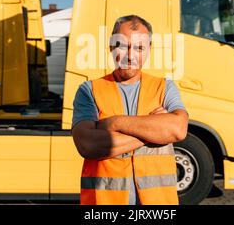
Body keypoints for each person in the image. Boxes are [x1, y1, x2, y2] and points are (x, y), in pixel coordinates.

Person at [72, 15, 189, 205]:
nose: (130, 54)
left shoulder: (164, 87)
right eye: (122, 46)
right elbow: (87, 144)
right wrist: (155, 131)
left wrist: (115, 123)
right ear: (111, 47)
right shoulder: (89, 90)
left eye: (139, 48)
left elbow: (178, 129)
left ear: (149, 50)